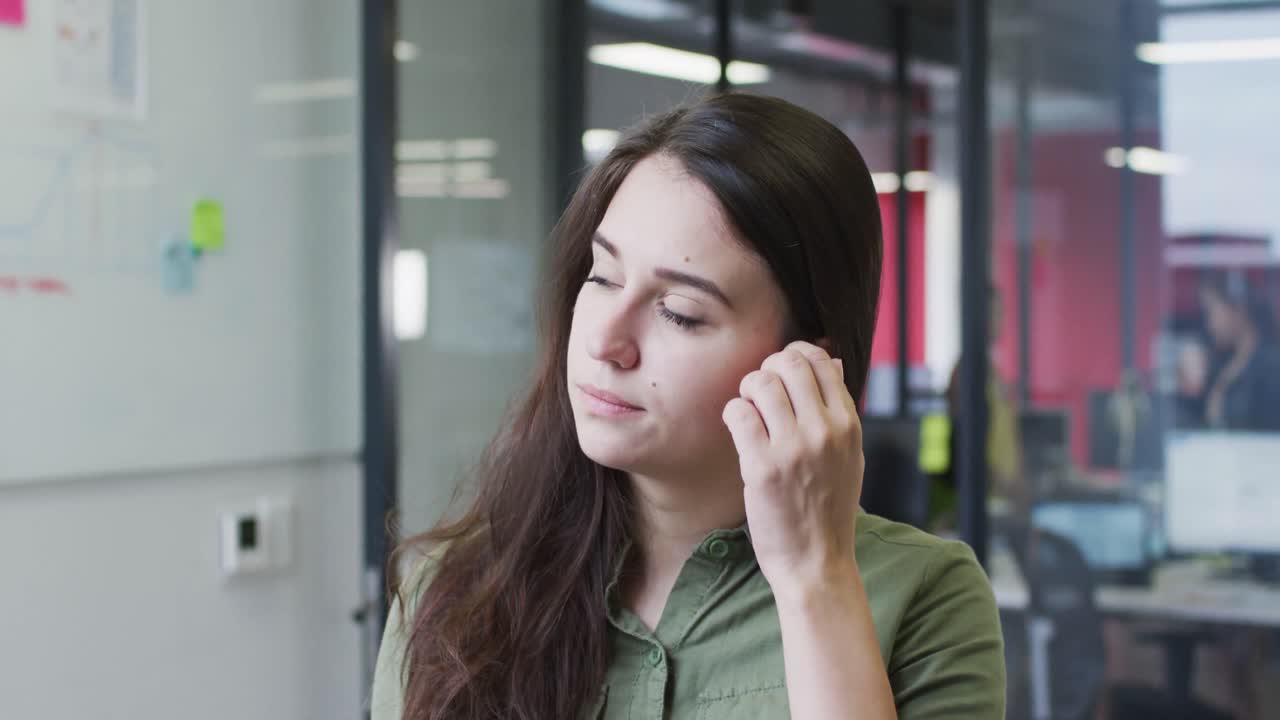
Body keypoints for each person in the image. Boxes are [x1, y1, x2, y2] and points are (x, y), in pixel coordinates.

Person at [371, 93, 1005, 720]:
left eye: (681, 312)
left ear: (806, 359)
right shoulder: (451, 591)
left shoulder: (924, 596)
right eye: (602, 277)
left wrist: (816, 580)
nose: (604, 341)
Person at [1199, 271, 1280, 431]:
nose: (1209, 324)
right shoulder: (1222, 362)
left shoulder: (1272, 367)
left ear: (1237, 310)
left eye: (1211, 313)